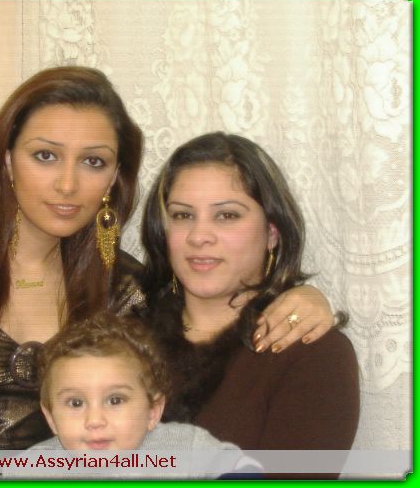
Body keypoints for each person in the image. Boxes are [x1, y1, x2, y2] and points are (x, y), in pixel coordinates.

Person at [0, 67, 337, 479]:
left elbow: (203, 325)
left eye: (93, 162)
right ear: (7, 161)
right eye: (45, 156)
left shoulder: (123, 288)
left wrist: (301, 297)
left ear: (114, 177)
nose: (67, 183)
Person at [137, 132, 360, 478]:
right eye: (182, 215)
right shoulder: (122, 340)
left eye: (227, 215)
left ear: (272, 232)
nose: (199, 236)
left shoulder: (311, 353)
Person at [7, 311, 262, 479]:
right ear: (51, 418)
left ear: (153, 411)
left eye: (115, 400)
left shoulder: (182, 446)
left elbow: (241, 470)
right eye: (75, 403)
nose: (94, 420)